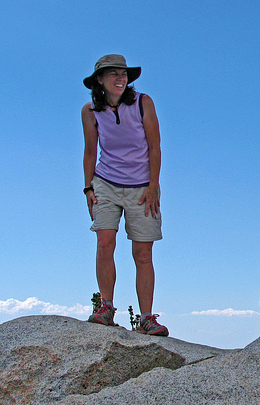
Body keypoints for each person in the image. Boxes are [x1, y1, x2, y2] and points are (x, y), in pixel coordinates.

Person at [82, 54, 168, 336]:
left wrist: (153, 184)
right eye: (113, 74)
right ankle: (106, 307)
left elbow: (154, 146)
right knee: (105, 242)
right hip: (105, 182)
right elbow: (90, 151)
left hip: (142, 186)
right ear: (100, 80)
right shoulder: (91, 111)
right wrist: (88, 187)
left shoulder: (143, 103)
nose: (120, 79)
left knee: (142, 253)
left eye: (124, 73)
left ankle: (146, 318)